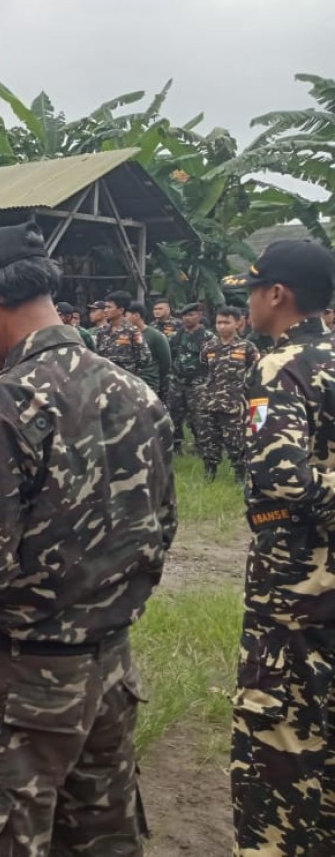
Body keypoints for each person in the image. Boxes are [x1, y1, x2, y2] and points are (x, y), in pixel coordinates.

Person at [0, 221, 176, 855]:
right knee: (100, 841)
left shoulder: (5, 401)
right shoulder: (137, 393)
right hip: (108, 671)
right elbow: (157, 530)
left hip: (17, 683)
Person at [228, 239, 335, 855]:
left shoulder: (281, 366)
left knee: (278, 743)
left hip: (293, 593)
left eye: (251, 288)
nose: (246, 301)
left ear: (278, 295)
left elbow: (283, 479)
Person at [196, 306, 259, 482]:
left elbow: (255, 374)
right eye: (219, 322)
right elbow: (204, 370)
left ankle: (240, 474)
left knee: (235, 441)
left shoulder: (247, 347)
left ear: (238, 323)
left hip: (235, 403)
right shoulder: (209, 347)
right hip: (209, 401)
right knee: (208, 439)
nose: (222, 326)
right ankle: (210, 471)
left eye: (226, 322)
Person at [168, 302, 215, 454]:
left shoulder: (208, 337)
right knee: (174, 414)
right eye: (184, 316)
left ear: (199, 316)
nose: (187, 319)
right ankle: (176, 445)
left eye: (191, 315)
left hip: (198, 383)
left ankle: (200, 446)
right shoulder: (176, 336)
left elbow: (212, 361)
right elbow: (170, 355)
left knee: (199, 416)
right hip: (177, 382)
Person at [94, 290, 151, 374]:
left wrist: (132, 372)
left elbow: (145, 358)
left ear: (120, 310)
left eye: (109, 307)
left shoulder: (133, 331)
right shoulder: (102, 331)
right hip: (105, 380)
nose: (105, 310)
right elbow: (97, 355)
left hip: (125, 381)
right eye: (105, 307)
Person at [127, 301, 171, 403]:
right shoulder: (126, 335)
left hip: (148, 384)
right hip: (129, 382)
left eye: (126, 315)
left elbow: (166, 363)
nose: (124, 319)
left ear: (136, 316)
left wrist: (152, 376)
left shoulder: (156, 336)